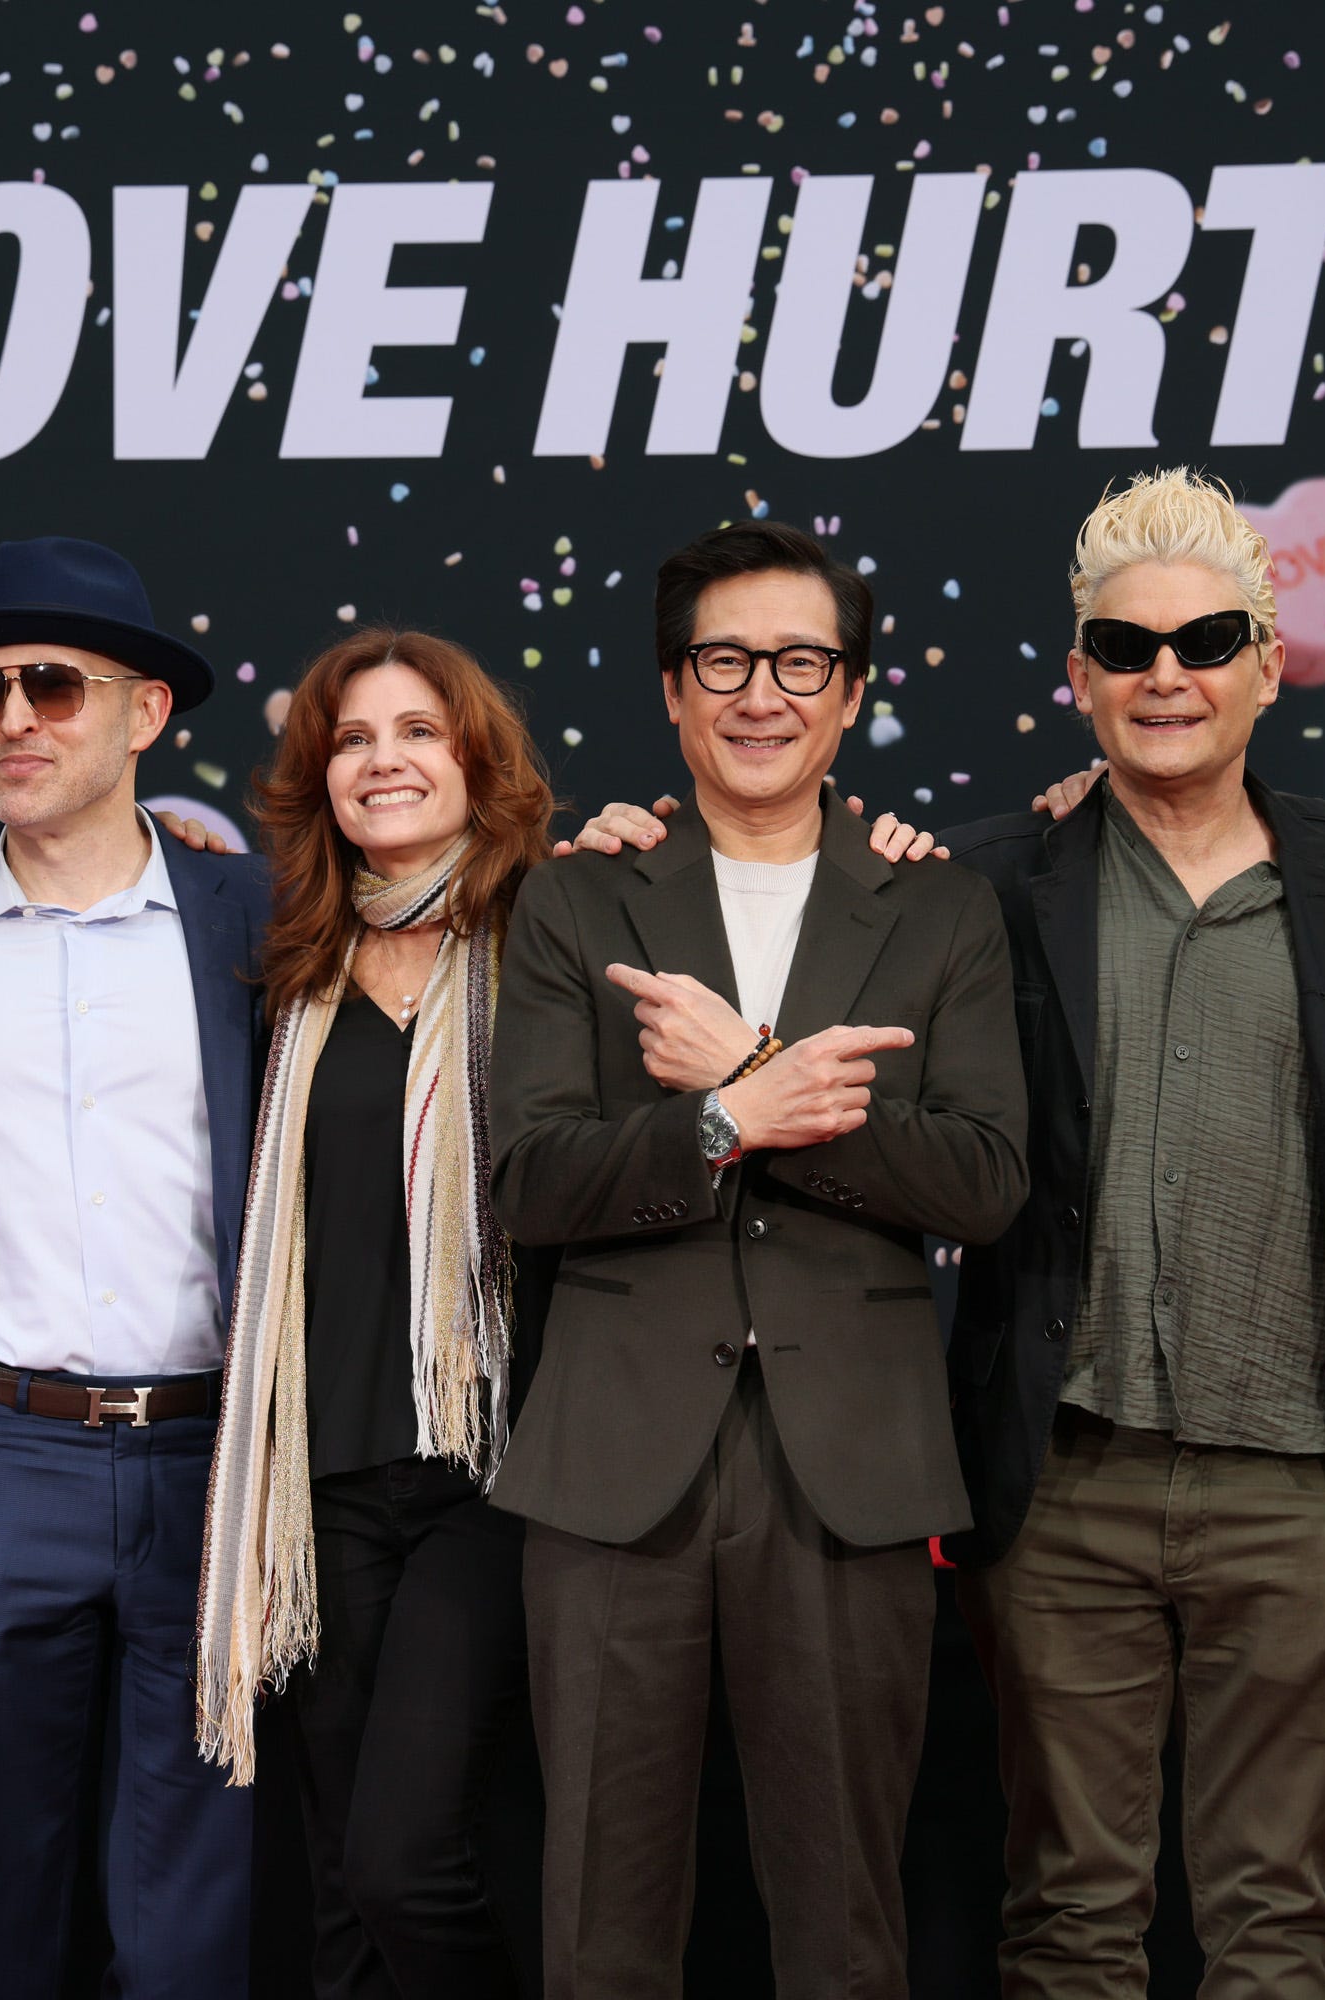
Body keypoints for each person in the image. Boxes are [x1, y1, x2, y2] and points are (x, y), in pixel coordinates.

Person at [487, 518, 1029, 1998]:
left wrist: (764, 1080)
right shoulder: (583, 893)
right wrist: (730, 1116)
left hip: (847, 1467)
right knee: (599, 1924)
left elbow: (983, 1183)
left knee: (847, 1924)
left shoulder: (940, 905)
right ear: (672, 689)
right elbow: (527, 1178)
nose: (761, 694)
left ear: (852, 693)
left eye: (802, 661)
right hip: (612, 1464)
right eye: (723, 659)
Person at [928, 469, 1325, 1999]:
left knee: (1278, 1926)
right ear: (1078, 680)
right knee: (1069, 1922)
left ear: (1270, 664)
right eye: (1126, 649)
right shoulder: (993, 880)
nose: (1167, 677)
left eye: (1207, 641)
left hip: (1304, 1477)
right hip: (1064, 1475)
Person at [0, 538, 266, 1997]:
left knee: (191, 1929)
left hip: (218, 1471)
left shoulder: (260, 922)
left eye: (53, 685)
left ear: (147, 714)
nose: (12, 718)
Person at [195, 626, 556, 1997]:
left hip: (493, 1482)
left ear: (476, 758)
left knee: (409, 1858)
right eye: (352, 738)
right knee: (344, 1877)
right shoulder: (283, 972)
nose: (384, 760)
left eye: (417, 731)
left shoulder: (555, 935)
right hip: (321, 1478)